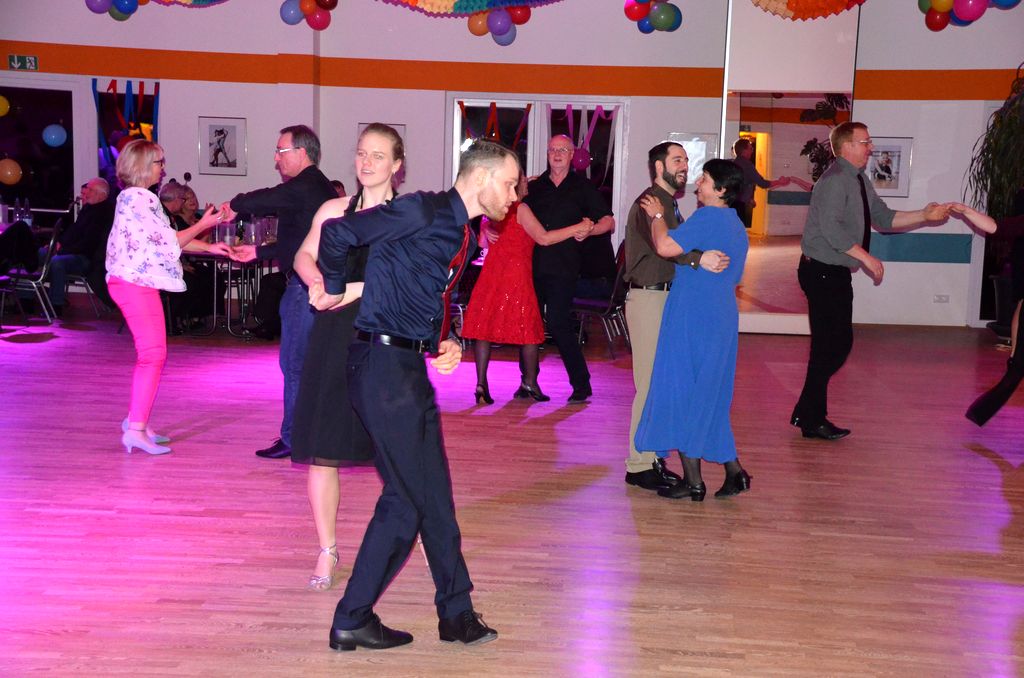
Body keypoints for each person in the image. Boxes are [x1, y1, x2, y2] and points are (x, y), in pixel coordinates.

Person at [310, 139, 519, 651]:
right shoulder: (422, 210)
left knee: (435, 498)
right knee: (405, 501)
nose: (514, 197)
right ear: (482, 177)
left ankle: (457, 613)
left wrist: (443, 340)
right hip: (381, 368)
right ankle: (352, 617)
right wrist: (333, 286)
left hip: (405, 366)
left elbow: (425, 294)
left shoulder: (462, 231)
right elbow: (338, 233)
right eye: (510, 184)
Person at [289, 123, 404, 592]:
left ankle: (414, 528)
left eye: (378, 155)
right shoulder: (334, 210)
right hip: (334, 336)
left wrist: (341, 290)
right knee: (324, 448)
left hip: (383, 338)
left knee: (398, 452)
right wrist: (316, 280)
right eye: (361, 153)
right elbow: (303, 254)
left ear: (397, 165)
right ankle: (327, 548)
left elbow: (399, 283)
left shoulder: (408, 218)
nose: (367, 162)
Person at [790, 121, 950, 440]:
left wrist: (923, 214)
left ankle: (807, 413)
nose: (871, 147)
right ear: (846, 146)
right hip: (820, 271)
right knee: (830, 346)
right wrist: (866, 257)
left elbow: (883, 216)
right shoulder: (834, 181)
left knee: (836, 345)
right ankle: (811, 418)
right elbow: (831, 229)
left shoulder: (857, 178)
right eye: (866, 142)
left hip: (833, 272)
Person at [634, 159, 751, 501]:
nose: (697, 183)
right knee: (709, 396)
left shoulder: (709, 217)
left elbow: (665, 247)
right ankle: (735, 473)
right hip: (720, 315)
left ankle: (694, 482)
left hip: (694, 315)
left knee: (684, 391)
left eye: (705, 179)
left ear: (721, 190)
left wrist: (658, 216)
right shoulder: (734, 222)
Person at [221, 125, 336, 459]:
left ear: (302, 152)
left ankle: (294, 438)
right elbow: (297, 241)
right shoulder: (314, 187)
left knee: (295, 365)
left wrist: (235, 204)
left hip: (304, 288)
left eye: (281, 151)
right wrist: (258, 252)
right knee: (304, 365)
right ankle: (307, 434)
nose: (276, 158)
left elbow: (267, 198)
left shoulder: (306, 185)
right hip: (307, 285)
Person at [106, 140, 227, 455]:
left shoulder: (136, 198)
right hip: (133, 283)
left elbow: (168, 240)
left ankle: (137, 421)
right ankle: (135, 429)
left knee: (152, 355)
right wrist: (205, 224)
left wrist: (210, 246)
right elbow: (170, 240)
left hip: (133, 282)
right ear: (143, 166)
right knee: (153, 355)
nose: (163, 168)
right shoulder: (138, 198)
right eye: (159, 162)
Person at [462, 175, 590, 404]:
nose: (528, 183)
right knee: (529, 328)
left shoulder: (494, 209)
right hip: (516, 275)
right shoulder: (521, 209)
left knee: (484, 328)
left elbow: (482, 243)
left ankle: (481, 384)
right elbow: (544, 238)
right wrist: (577, 228)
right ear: (517, 185)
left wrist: (485, 229)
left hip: (491, 274)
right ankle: (530, 382)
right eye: (523, 180)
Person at [524, 134, 615, 403]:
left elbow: (608, 221)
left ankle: (581, 384)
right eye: (552, 149)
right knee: (528, 323)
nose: (557, 154)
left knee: (558, 323)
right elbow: (509, 208)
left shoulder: (582, 187)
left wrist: (590, 231)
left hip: (564, 266)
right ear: (547, 154)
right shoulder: (535, 186)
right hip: (530, 265)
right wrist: (486, 229)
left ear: (572, 155)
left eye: (562, 150)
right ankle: (527, 381)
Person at [43, 177, 114, 317]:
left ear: (101, 194)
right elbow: (74, 231)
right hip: (74, 252)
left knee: (57, 262)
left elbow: (89, 244)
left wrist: (62, 251)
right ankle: (26, 300)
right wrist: (59, 243)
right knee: (36, 254)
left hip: (87, 258)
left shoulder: (105, 213)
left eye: (90, 190)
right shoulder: (88, 208)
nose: (85, 193)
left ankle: (56, 306)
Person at [731, 137, 789, 230]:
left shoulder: (733, 163)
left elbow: (740, 184)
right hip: (739, 204)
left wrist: (749, 198)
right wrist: (780, 182)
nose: (752, 150)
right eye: (750, 148)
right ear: (744, 151)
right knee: (738, 231)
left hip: (730, 202)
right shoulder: (747, 165)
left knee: (732, 229)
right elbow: (762, 183)